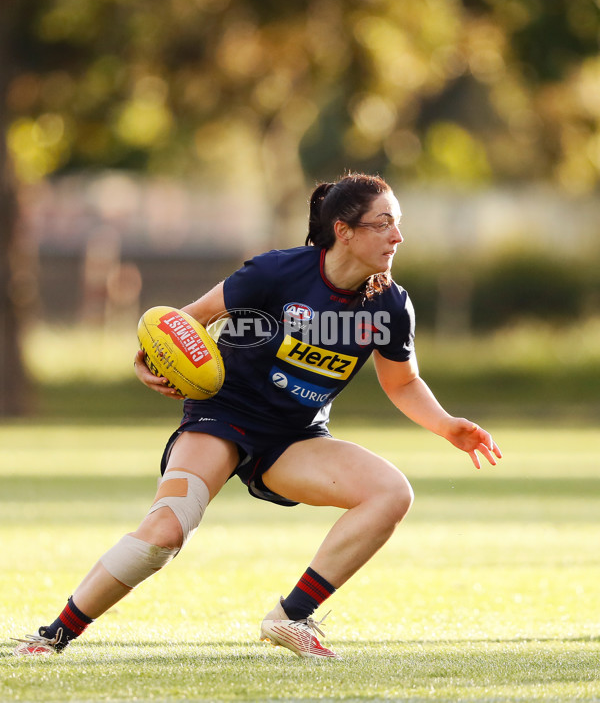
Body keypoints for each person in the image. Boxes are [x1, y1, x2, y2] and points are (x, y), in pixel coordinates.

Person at [14, 172, 501, 659]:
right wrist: (149, 358)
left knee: (391, 493)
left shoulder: (390, 305)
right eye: (383, 224)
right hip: (223, 418)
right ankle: (50, 637)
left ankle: (290, 618)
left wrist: (446, 424)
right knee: (164, 533)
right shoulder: (277, 273)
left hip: (295, 437)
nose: (398, 236)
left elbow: (403, 382)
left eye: (398, 224)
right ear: (344, 230)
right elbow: (185, 322)